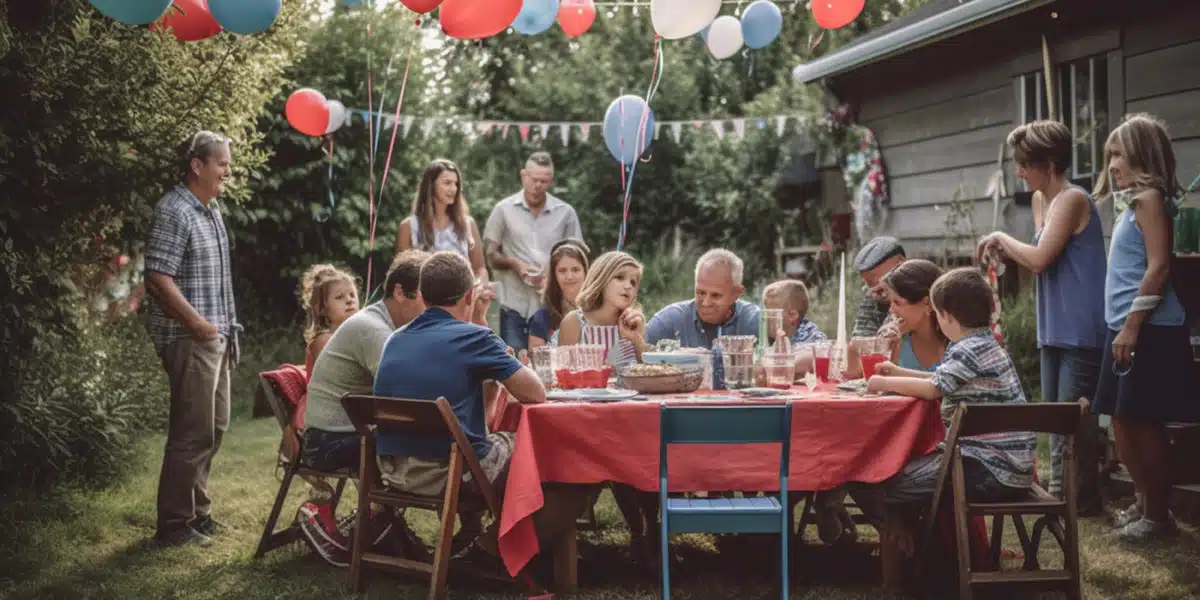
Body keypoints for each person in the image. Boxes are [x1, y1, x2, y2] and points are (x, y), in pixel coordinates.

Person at [373, 252, 592, 575]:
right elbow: (536, 392)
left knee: (502, 448)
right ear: (469, 296)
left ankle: (492, 540)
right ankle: (490, 552)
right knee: (573, 465)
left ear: (421, 295)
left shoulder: (395, 339)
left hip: (394, 468)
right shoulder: (475, 337)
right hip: (448, 470)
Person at [976, 120, 1107, 512]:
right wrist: (1004, 252)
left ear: (1048, 163)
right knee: (1053, 419)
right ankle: (1062, 493)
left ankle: (1079, 499)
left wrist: (1002, 239)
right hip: (1054, 322)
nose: (1018, 172)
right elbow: (1038, 257)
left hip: (1081, 324)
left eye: (1024, 164)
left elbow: (1039, 258)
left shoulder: (1072, 199)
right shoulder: (1041, 201)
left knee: (1073, 421)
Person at [864, 268, 1036, 530]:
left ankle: (914, 547)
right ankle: (924, 544)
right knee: (898, 476)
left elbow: (935, 387)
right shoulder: (986, 345)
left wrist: (885, 383)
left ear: (947, 316)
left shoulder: (966, 351)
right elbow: (943, 378)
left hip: (986, 471)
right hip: (1013, 470)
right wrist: (899, 372)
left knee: (887, 483)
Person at [1091, 113, 1196, 540]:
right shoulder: (1133, 201)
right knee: (1121, 420)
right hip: (1124, 326)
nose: (1111, 164)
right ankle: (1143, 502)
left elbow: (1158, 268)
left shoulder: (1150, 199)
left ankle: (1157, 516)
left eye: (1117, 154)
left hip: (1148, 328)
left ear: (1141, 154)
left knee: (1143, 420)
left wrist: (1132, 326)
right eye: (1109, 155)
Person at [299, 250, 431, 566]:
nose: (431, 310)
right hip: (327, 442)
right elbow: (404, 392)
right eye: (426, 300)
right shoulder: (373, 330)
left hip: (345, 434)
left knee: (416, 450)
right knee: (419, 456)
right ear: (400, 292)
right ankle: (355, 523)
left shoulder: (385, 326)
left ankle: (381, 527)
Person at [143, 131, 239, 548]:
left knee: (214, 429)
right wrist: (198, 324)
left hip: (216, 336)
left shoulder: (211, 210)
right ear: (197, 165)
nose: (227, 172)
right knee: (192, 432)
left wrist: (227, 330)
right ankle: (174, 525)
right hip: (188, 337)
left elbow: (220, 282)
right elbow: (157, 280)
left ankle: (198, 514)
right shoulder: (174, 210)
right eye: (222, 164)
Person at [484, 152, 585, 351]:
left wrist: (552, 272)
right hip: (514, 304)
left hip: (554, 307)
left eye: (544, 181)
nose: (538, 185)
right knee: (513, 366)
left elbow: (578, 254)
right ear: (523, 176)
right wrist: (515, 264)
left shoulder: (565, 212)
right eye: (534, 179)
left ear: (551, 181)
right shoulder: (503, 210)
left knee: (556, 363)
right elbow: (490, 255)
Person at [645, 248, 761, 349]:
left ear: (736, 293)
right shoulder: (668, 321)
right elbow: (637, 361)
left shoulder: (755, 320)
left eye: (715, 295)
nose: (706, 303)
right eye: (700, 293)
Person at [396, 158, 487, 284]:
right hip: (424, 300)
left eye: (456, 183)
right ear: (431, 185)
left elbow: (480, 269)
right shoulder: (409, 226)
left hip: (463, 299)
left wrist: (478, 285)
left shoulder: (467, 224)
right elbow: (401, 274)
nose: (453, 188)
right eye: (447, 183)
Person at [558, 251, 648, 369]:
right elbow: (561, 374)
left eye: (633, 282)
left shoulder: (633, 324)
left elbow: (649, 375)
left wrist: (637, 340)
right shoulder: (575, 321)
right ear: (601, 279)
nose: (628, 286)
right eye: (620, 277)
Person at [882, 260, 948, 374]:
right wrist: (892, 348)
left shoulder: (957, 340)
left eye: (897, 303)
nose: (891, 310)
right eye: (890, 302)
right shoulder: (896, 339)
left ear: (927, 304)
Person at [528, 238, 590, 349]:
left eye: (575, 270)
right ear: (554, 276)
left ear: (585, 272)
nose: (569, 277)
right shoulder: (542, 318)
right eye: (562, 271)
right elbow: (536, 363)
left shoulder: (598, 312)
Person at [760, 279, 827, 376]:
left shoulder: (808, 333)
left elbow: (823, 351)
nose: (765, 319)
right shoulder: (774, 339)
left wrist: (780, 366)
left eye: (771, 314)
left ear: (792, 315)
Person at [852, 236, 906, 339]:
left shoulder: (917, 287)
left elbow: (890, 332)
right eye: (869, 284)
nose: (874, 290)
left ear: (900, 262)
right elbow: (861, 339)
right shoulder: (871, 293)